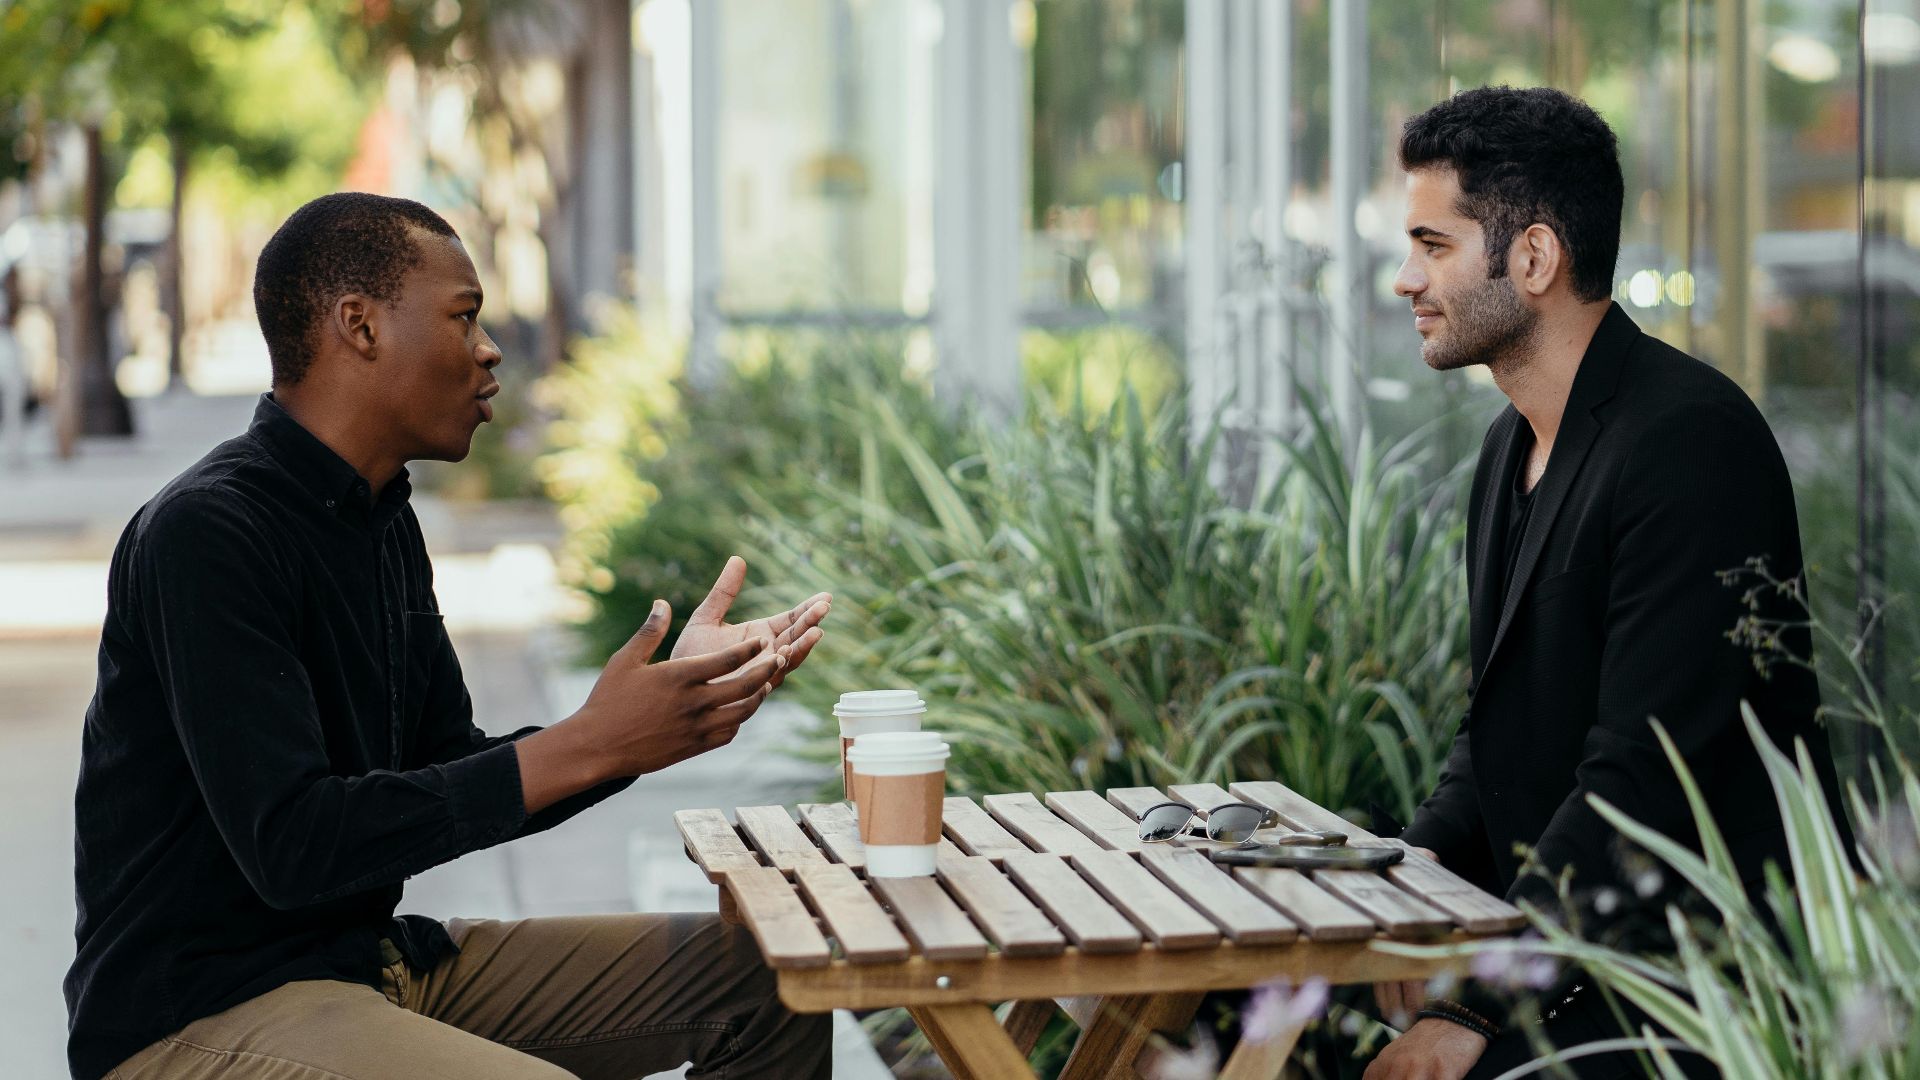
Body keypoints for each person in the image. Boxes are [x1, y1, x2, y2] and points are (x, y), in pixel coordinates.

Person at [64, 192, 835, 1080]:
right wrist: (593, 742)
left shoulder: (383, 517)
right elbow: (294, 847)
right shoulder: (207, 533)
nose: (490, 348)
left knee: (774, 979)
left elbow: (447, 760)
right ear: (360, 326)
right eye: (464, 317)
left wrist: (647, 723)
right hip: (193, 1016)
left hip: (371, 967)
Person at [1363, 87, 1849, 1080]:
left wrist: (1471, 1006)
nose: (1406, 278)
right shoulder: (1511, 448)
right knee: (1267, 1019)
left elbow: (1645, 786)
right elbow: (1493, 742)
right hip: (1579, 953)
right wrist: (1396, 900)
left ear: (1534, 258)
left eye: (1434, 244)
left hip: (1692, 983)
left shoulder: (1687, 445)